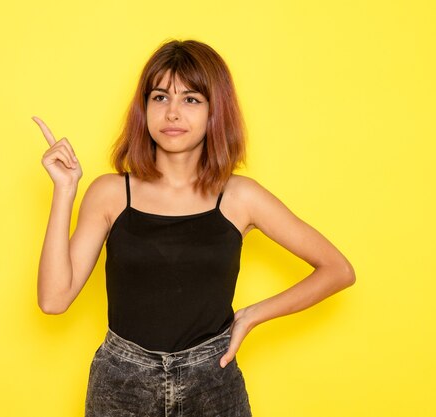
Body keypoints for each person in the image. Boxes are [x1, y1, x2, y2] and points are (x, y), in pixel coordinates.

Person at [33, 39, 356, 416]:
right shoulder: (110, 193)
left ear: (214, 111)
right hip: (121, 385)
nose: (172, 113)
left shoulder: (240, 197)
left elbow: (338, 270)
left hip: (212, 384)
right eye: (159, 97)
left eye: (190, 99)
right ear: (144, 108)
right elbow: (53, 300)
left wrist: (252, 315)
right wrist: (64, 190)